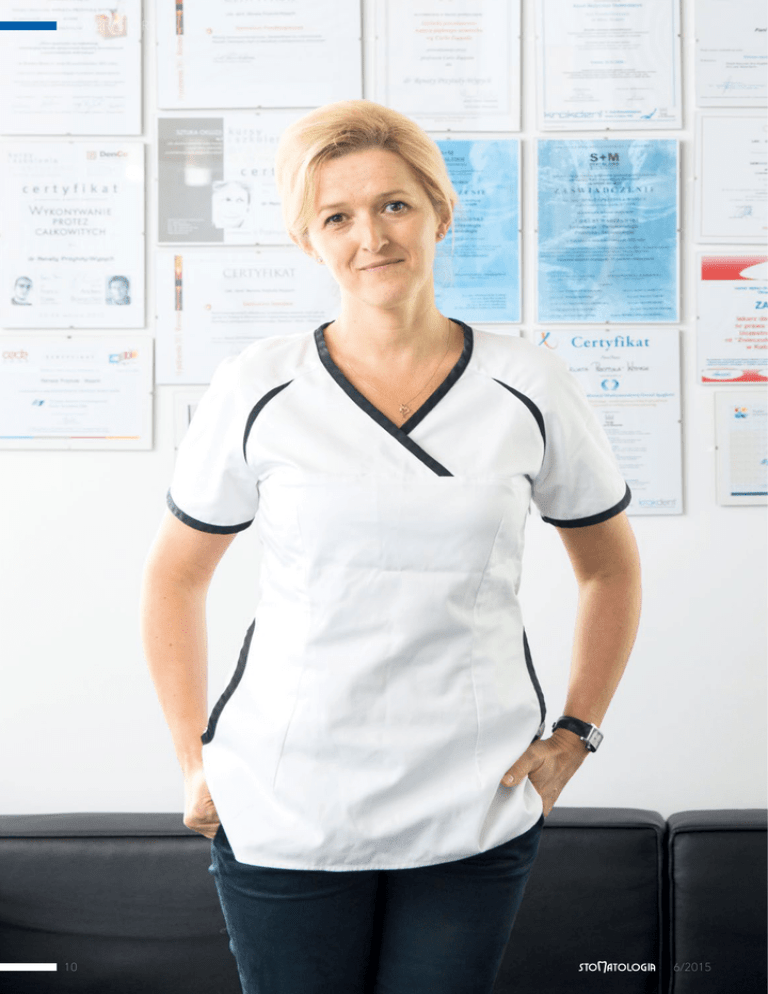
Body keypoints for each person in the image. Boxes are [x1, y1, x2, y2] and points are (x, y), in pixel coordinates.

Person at [140, 99, 642, 994]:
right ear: (307, 239)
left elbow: (609, 567)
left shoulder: (528, 383)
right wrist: (192, 760)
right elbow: (175, 577)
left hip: (474, 797)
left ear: (440, 213)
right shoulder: (257, 387)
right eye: (337, 216)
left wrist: (576, 734)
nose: (370, 236)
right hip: (286, 800)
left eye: (394, 205)